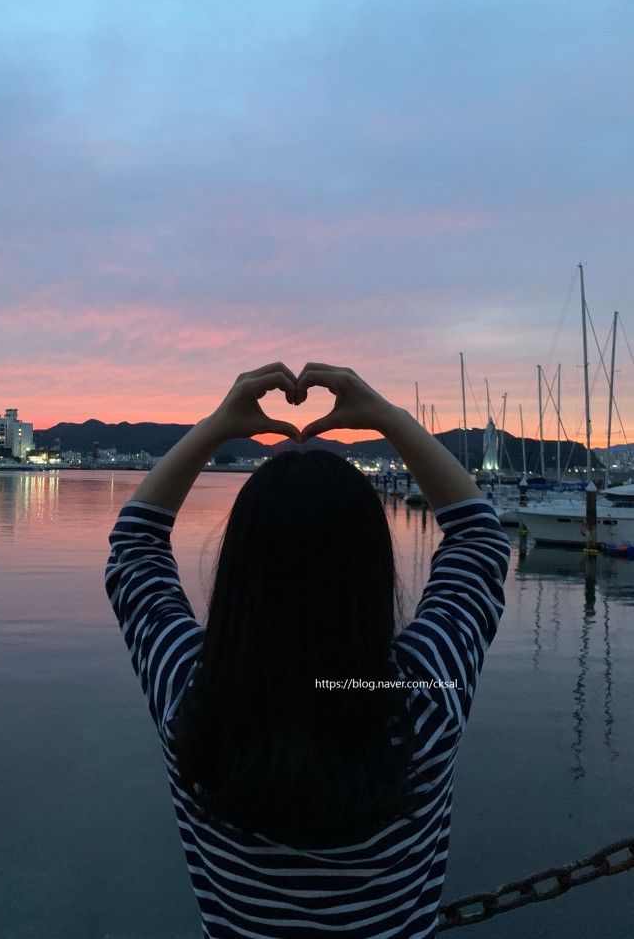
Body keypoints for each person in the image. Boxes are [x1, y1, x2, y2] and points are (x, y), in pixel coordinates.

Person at [105, 361, 511, 939]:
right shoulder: (420, 700)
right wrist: (388, 418)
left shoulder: (191, 700)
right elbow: (478, 539)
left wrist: (217, 426)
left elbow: (136, 549)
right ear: (371, 571)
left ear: (239, 571)